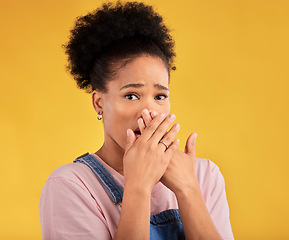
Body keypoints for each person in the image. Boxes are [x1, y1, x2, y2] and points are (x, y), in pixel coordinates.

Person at [39, 1, 234, 239]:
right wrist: (138, 186)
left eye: (160, 96)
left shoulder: (205, 175)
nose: (149, 112)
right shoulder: (71, 186)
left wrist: (188, 188)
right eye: (131, 95)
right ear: (99, 102)